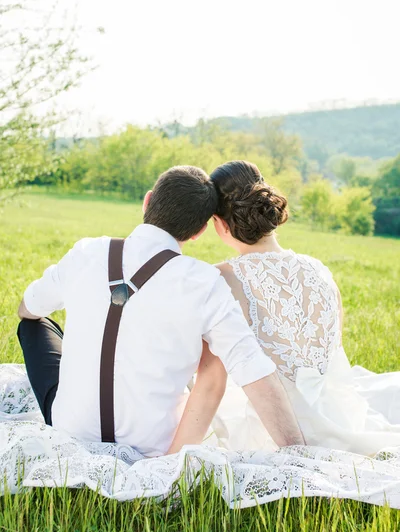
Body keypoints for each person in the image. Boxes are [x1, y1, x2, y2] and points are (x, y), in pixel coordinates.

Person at [17, 165, 304, 458]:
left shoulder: (86, 252)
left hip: (71, 431)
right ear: (199, 232)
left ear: (148, 200)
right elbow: (252, 368)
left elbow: (28, 307)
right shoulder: (204, 282)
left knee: (33, 325)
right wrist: (299, 455)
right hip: (153, 446)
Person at [202, 160, 400, 455]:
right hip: (340, 412)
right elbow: (335, 353)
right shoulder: (319, 269)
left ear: (220, 223)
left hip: (271, 426)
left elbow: (210, 370)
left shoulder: (222, 277)